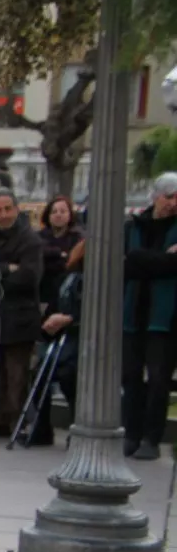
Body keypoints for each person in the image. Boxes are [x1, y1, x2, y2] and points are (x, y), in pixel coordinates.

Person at [121, 172, 177, 460]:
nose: (174, 203)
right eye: (169, 197)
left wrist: (140, 260)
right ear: (156, 196)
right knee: (130, 376)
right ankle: (130, 434)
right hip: (132, 314)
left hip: (164, 319)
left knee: (158, 379)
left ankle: (151, 439)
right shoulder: (134, 226)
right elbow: (125, 266)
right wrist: (161, 261)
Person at [0, 189, 43, 438]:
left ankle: (16, 423)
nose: (3, 214)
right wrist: (7, 268)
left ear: (16, 210)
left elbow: (29, 278)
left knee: (17, 373)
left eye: (7, 209)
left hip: (20, 318)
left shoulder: (30, 239)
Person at [33, 242, 85, 448]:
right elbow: (52, 309)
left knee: (68, 376)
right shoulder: (66, 279)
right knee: (39, 373)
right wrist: (49, 323)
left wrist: (70, 320)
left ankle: (77, 425)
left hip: (81, 343)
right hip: (62, 342)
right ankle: (41, 427)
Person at [39, 194, 84, 314]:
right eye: (54, 212)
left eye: (63, 211)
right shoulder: (38, 237)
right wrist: (59, 254)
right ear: (48, 216)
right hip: (43, 294)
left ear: (70, 215)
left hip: (67, 294)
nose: (58, 214)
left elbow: (71, 264)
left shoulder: (77, 238)